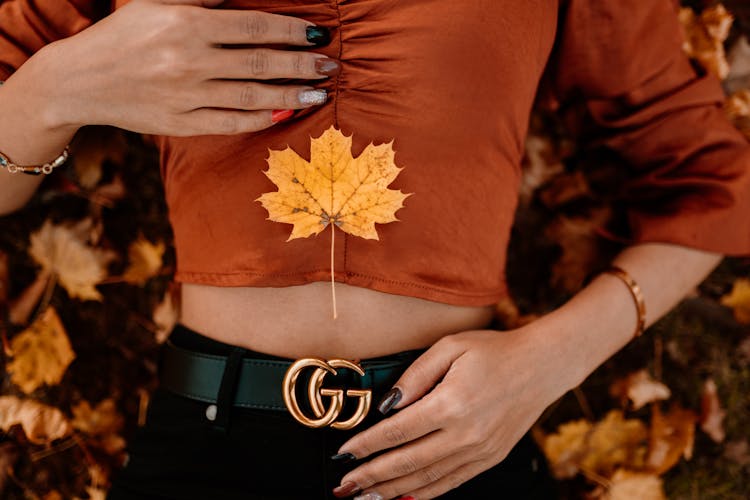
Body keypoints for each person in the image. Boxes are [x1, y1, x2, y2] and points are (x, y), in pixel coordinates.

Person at [1, 0, 749, 498]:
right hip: (205, 444)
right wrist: (56, 91)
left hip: (455, 441)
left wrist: (549, 361)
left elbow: (714, 185)